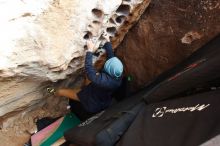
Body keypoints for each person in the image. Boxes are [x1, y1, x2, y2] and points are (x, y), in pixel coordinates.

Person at [48, 33, 123, 121]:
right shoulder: (118, 73)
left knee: (61, 91)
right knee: (89, 77)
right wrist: (107, 41)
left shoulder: (103, 81)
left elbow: (89, 69)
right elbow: (111, 57)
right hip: (101, 97)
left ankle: (52, 91)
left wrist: (89, 50)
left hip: (90, 101)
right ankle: (84, 87)